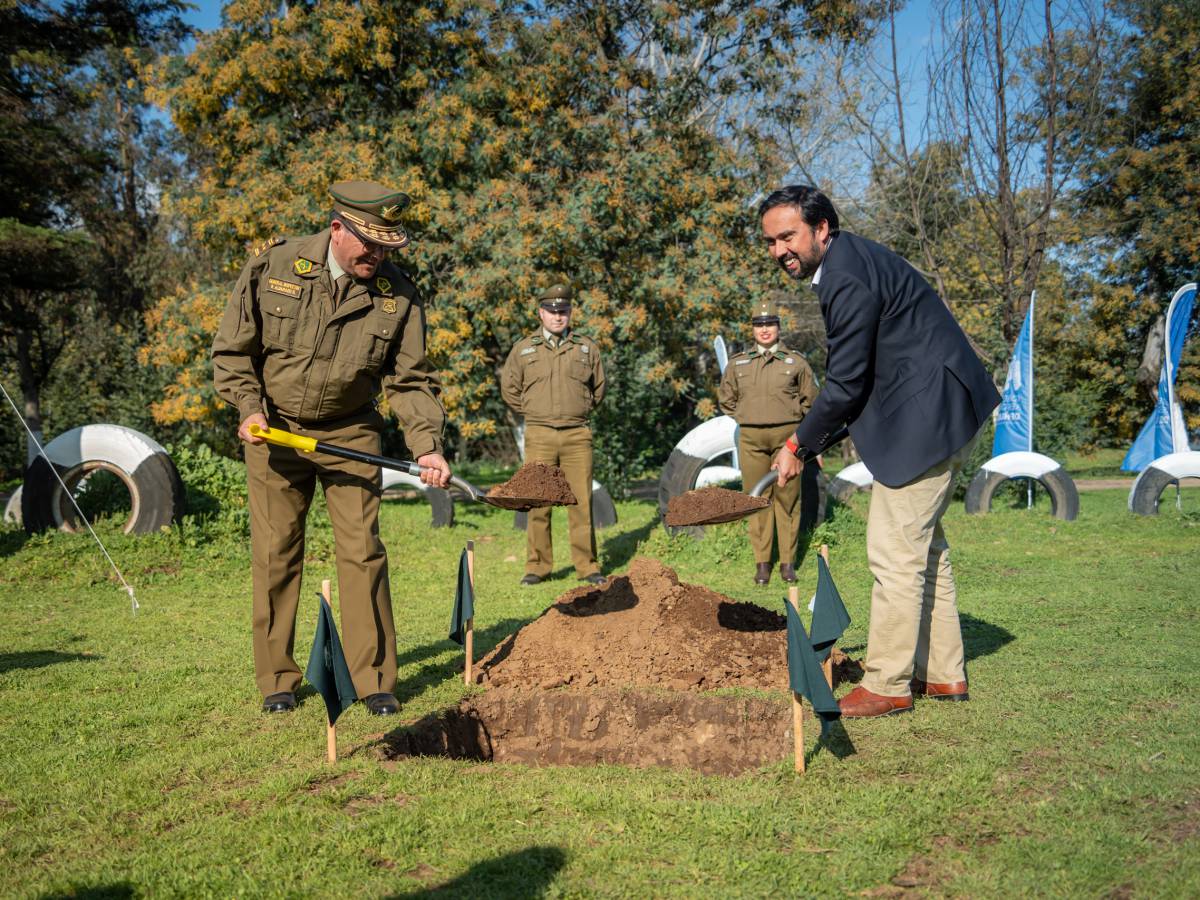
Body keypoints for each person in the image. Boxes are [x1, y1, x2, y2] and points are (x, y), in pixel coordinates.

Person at [212, 180, 451, 716]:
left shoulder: (399, 294)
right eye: (369, 243)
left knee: (363, 552)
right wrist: (249, 408)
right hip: (275, 429)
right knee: (276, 553)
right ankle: (277, 677)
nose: (378, 255)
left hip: (350, 431)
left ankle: (374, 681)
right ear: (337, 229)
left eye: (388, 245)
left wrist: (426, 446)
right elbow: (233, 352)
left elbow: (410, 381)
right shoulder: (274, 268)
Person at [763, 184, 1000, 718]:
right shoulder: (849, 260)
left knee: (893, 553)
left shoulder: (845, 276)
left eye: (788, 236)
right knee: (924, 553)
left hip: (927, 419)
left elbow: (846, 382)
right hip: (943, 409)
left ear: (821, 228)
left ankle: (887, 684)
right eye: (772, 242)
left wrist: (797, 443)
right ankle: (942, 675)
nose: (780, 251)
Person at [501, 281, 606, 586]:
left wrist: (577, 410)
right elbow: (510, 389)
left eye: (563, 311)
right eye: (552, 311)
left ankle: (587, 567)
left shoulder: (586, 348)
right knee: (537, 500)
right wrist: (537, 412)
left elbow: (598, 390)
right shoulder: (524, 349)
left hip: (577, 435)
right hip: (539, 434)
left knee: (581, 502)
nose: (558, 316)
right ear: (541, 313)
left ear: (570, 312)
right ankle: (537, 567)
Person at [718, 297, 819, 585]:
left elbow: (811, 401)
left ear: (778, 327)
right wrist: (747, 415)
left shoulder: (795, 362)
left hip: (788, 439)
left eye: (770, 324)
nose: (764, 330)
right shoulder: (739, 364)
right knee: (756, 499)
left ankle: (787, 563)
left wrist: (802, 438)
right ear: (753, 329)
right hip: (751, 438)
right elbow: (726, 399)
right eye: (759, 325)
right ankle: (763, 563)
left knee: (788, 499)